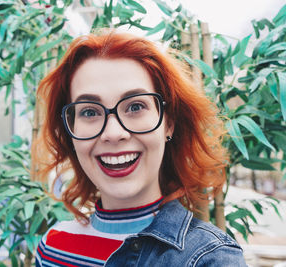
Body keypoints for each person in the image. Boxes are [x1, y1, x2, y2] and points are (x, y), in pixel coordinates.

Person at [33, 31, 247, 266]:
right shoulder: (52, 248)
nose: (113, 134)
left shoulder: (210, 258)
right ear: (71, 131)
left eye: (135, 106)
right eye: (90, 112)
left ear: (169, 123)